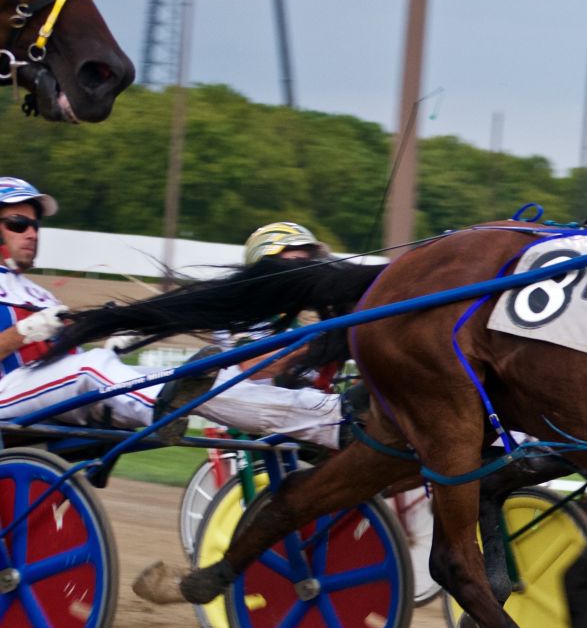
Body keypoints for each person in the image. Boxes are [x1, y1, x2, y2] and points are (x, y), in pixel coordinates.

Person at [0, 178, 343, 447]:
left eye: (35, 224)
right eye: (18, 223)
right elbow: (70, 367)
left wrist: (113, 351)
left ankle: (330, 420)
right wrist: (24, 332)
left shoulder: (39, 294)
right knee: (92, 367)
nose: (32, 233)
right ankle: (161, 410)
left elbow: (59, 366)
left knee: (177, 377)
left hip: (34, 394)